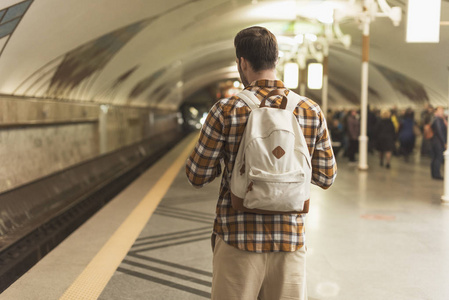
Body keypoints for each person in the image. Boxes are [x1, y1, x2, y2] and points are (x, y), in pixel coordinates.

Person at [185, 26, 337, 300]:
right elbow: (326, 177)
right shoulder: (309, 110)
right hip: (290, 244)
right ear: (276, 60)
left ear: (242, 63)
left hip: (237, 242)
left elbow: (197, 175)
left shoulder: (225, 110)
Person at [430, 106, 447, 180]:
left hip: (435, 141)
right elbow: (440, 132)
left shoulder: (437, 119)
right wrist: (444, 142)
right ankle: (436, 174)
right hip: (438, 142)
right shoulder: (438, 120)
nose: (442, 112)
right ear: (436, 111)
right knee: (438, 157)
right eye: (441, 110)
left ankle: (434, 173)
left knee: (435, 157)